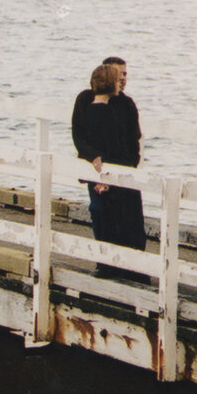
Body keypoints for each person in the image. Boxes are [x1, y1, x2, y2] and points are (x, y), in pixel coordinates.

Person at [71, 61, 146, 278]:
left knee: (130, 222)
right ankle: (106, 265)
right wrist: (95, 162)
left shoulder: (126, 104)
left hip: (122, 170)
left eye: (125, 74)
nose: (123, 78)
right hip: (98, 172)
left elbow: (132, 141)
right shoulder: (86, 100)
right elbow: (79, 135)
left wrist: (126, 171)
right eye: (118, 74)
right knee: (101, 215)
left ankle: (133, 269)